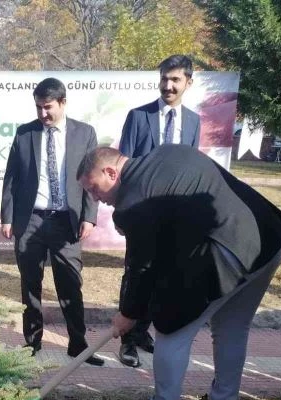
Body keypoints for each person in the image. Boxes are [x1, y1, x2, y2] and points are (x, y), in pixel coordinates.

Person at [78, 145, 281, 400]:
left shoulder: (132, 203)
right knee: (231, 326)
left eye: (94, 189)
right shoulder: (167, 152)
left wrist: (129, 313)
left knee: (171, 330)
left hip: (230, 250)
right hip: (268, 237)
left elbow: (142, 269)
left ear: (111, 172)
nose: (96, 199)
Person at [1, 77, 103, 365]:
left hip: (66, 222)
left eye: (47, 108)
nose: (43, 114)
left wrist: (89, 217)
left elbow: (92, 180)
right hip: (30, 220)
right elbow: (11, 179)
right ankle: (32, 342)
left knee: (70, 284)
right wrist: (8, 218)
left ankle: (78, 345)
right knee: (30, 284)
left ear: (63, 103)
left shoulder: (84, 134)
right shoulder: (24, 134)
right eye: (38, 108)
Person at [117, 54, 201, 368]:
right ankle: (127, 341)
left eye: (175, 79)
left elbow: (192, 169)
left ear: (188, 83)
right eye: (164, 78)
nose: (168, 85)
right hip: (142, 214)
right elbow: (123, 167)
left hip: (175, 218)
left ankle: (142, 331)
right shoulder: (138, 117)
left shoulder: (193, 121)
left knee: (163, 274)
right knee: (136, 274)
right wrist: (125, 213)